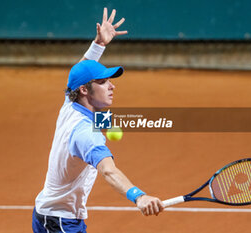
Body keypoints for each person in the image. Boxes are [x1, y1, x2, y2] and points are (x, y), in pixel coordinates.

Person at [32, 8, 164, 233]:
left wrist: (99, 45)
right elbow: (108, 171)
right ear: (84, 90)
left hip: (53, 215)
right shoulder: (85, 133)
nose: (112, 86)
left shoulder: (70, 103)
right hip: (61, 222)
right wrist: (139, 197)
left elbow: (79, 71)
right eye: (103, 82)